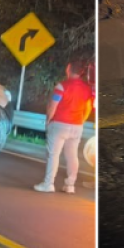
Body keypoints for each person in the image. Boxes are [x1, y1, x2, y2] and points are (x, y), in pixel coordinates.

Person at [35, 61, 95, 194]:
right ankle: (70, 185)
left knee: (53, 155)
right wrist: (81, 120)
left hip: (59, 125)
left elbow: (53, 105)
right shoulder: (87, 88)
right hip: (77, 126)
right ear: (81, 72)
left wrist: (48, 120)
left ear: (68, 70)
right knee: (72, 155)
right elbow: (88, 107)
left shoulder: (62, 86)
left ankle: (48, 184)